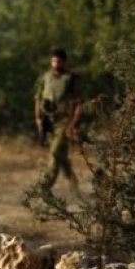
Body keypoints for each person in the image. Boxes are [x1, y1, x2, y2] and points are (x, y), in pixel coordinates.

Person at [34, 48, 82, 190]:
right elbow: (38, 99)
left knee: (55, 152)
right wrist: (38, 118)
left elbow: (79, 103)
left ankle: (44, 186)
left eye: (59, 61)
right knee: (61, 155)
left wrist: (73, 123)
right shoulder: (46, 77)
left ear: (64, 62)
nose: (56, 64)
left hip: (64, 121)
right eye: (54, 61)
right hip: (48, 121)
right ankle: (74, 185)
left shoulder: (71, 79)